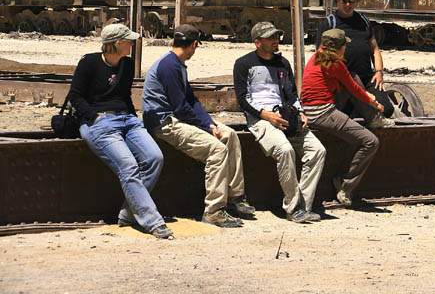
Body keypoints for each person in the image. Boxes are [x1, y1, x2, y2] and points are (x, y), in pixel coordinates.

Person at [68, 24, 173, 239]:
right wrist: (94, 117)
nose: (132, 43)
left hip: (127, 120)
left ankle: (128, 213)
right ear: (116, 43)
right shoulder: (89, 62)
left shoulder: (127, 64)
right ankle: (153, 221)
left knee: (155, 157)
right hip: (99, 122)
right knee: (128, 165)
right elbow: (76, 96)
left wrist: (133, 120)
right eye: (128, 40)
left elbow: (124, 96)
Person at [143, 24, 254, 228]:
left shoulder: (177, 64)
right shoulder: (169, 66)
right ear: (194, 44)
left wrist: (210, 123)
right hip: (165, 123)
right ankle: (214, 211)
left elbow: (191, 100)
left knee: (229, 134)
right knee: (217, 150)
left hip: (177, 118)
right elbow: (180, 107)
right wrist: (207, 127)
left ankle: (235, 197)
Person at [233, 21, 326, 223]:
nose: (276, 41)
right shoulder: (243, 64)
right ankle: (293, 208)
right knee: (285, 150)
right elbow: (242, 99)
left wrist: (300, 112)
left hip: (284, 115)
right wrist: (265, 115)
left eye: (277, 37)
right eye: (271, 38)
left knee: (317, 150)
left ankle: (304, 204)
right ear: (258, 42)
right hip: (260, 119)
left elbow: (291, 94)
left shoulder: (283, 63)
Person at [302, 28, 384, 207]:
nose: (346, 49)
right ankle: (345, 186)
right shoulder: (335, 63)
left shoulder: (316, 57)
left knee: (351, 79)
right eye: (345, 45)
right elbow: (354, 88)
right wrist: (375, 104)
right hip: (323, 113)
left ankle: (371, 117)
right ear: (339, 48)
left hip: (309, 109)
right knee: (371, 142)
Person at [315, 0, 395, 128]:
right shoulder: (329, 23)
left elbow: (375, 49)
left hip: (366, 78)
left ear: (356, 1)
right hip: (342, 83)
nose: (347, 4)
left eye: (351, 1)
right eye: (343, 1)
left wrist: (379, 72)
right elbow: (320, 56)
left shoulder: (363, 21)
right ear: (337, 2)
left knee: (387, 109)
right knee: (345, 115)